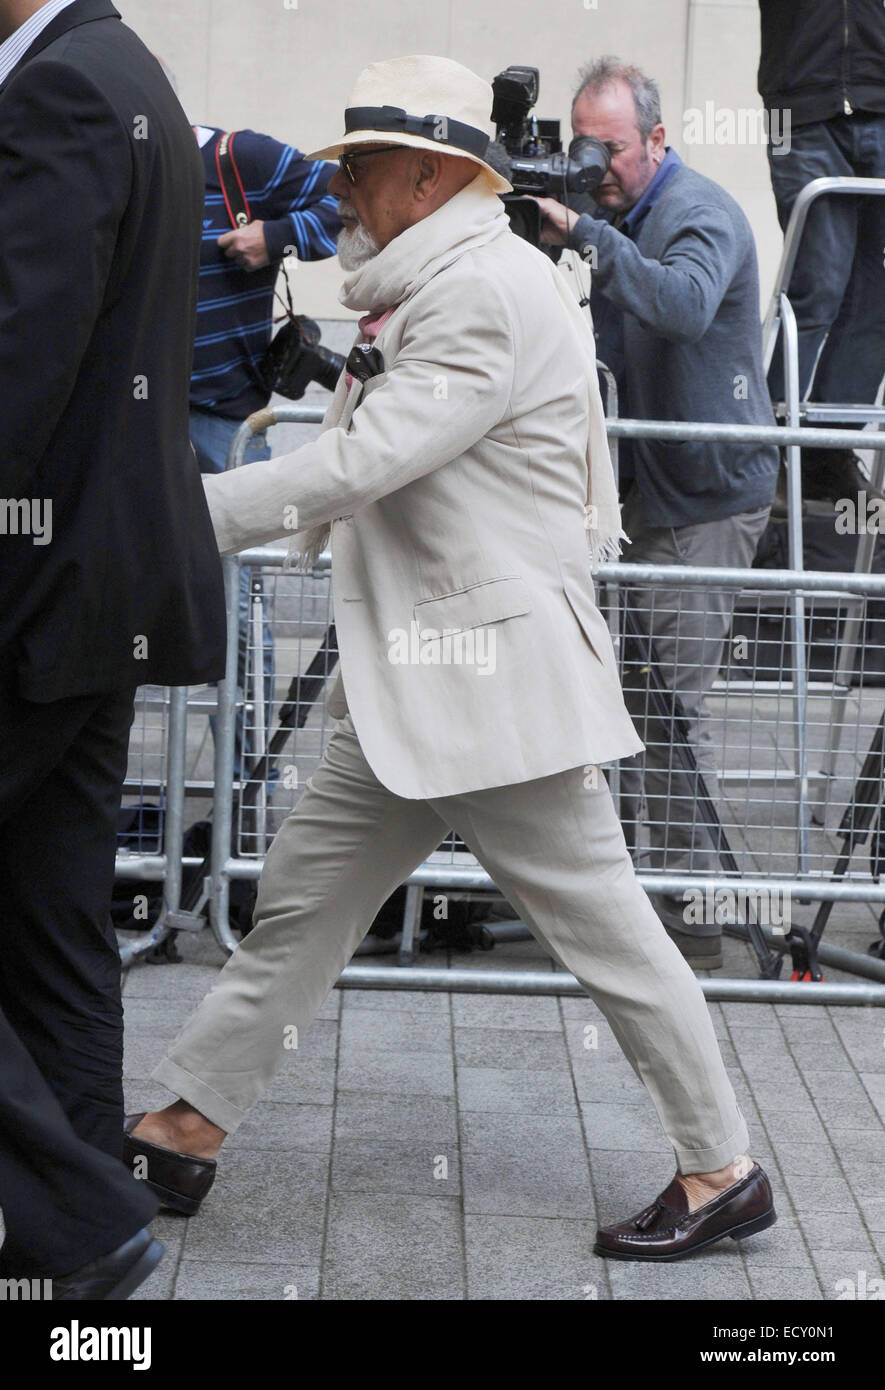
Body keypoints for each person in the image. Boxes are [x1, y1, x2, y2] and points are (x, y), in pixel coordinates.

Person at [123, 55, 776, 1263]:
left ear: (427, 176)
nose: (342, 191)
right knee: (301, 919)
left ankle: (723, 1167)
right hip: (424, 688)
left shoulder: (478, 291)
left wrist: (169, 509)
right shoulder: (451, 275)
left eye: (359, 168)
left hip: (488, 687)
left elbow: (364, 463)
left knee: (617, 938)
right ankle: (179, 1128)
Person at [0, 0, 225, 1295]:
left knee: (53, 922)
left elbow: (15, 370)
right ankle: (72, 1252)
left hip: (38, 593)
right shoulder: (126, 72)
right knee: (50, 922)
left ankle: (78, 1224)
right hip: (93, 597)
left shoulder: (66, 89)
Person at [534, 57, 779, 969]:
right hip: (640, 497)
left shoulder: (696, 211)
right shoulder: (618, 212)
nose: (596, 164)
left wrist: (586, 236)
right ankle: (645, 901)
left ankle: (690, 926)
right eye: (584, 146)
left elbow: (679, 306)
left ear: (659, 139)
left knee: (673, 707)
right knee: (631, 704)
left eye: (614, 148)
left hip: (708, 496)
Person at [188, 122, 341, 780]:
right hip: (133, 420)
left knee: (239, 603)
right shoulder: (116, 162)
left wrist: (273, 236)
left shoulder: (236, 156)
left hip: (230, 424)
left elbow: (347, 207)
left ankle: (240, 789)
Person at [758, 0, 885, 505]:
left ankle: (826, 451)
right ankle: (764, 448)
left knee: (877, 297)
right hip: (801, 110)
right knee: (817, 285)